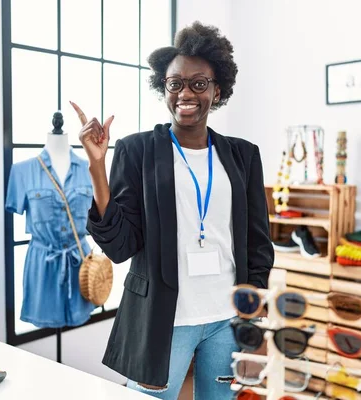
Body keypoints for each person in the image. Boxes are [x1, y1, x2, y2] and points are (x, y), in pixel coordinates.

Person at [71, 21, 273, 400]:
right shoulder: (137, 150)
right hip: (164, 320)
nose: (186, 93)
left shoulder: (243, 155)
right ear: (163, 87)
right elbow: (120, 246)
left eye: (199, 83)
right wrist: (98, 166)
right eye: (175, 83)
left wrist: (256, 323)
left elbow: (258, 247)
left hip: (227, 319)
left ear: (218, 89)